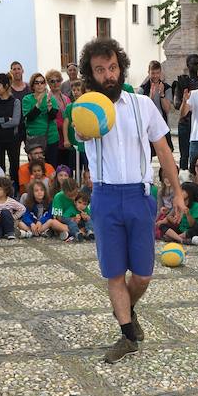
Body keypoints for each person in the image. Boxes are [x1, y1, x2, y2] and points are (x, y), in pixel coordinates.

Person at [77, 38, 184, 363]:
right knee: (113, 274)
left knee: (142, 275)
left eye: (112, 67)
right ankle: (127, 334)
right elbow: (80, 134)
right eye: (100, 70)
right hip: (106, 197)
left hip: (140, 195)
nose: (108, 75)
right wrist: (83, 128)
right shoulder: (86, 108)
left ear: (121, 68)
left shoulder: (143, 105)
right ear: (90, 74)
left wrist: (177, 191)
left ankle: (126, 306)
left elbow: (163, 150)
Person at [22, 73, 60, 168]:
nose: (39, 85)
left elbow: (53, 117)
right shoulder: (27, 99)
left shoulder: (51, 98)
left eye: (42, 82)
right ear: (32, 85)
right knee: (35, 168)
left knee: (51, 167)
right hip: (34, 140)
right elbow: (30, 118)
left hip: (50, 138)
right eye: (37, 82)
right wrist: (38, 103)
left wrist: (50, 108)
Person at [0, 72, 22, 175]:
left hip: (13, 139)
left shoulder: (15, 102)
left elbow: (15, 121)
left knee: (15, 166)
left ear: (6, 86)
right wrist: (6, 119)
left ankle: (15, 188)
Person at [172, 54, 198, 170]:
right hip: (185, 122)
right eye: (194, 64)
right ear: (188, 65)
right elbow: (176, 104)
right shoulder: (182, 81)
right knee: (184, 155)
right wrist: (189, 101)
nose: (197, 66)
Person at [5, 61, 31, 186]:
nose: (16, 71)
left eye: (18, 68)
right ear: (11, 72)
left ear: (22, 70)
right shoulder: (8, 90)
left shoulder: (29, 88)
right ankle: (15, 185)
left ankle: (32, 183)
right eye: (14, 69)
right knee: (14, 158)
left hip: (28, 126)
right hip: (14, 128)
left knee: (32, 155)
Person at [138, 61, 173, 151]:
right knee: (147, 155)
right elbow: (141, 110)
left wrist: (162, 94)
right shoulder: (142, 89)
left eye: (157, 73)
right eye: (153, 73)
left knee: (165, 153)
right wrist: (150, 97)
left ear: (160, 73)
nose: (155, 76)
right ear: (148, 72)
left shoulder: (167, 88)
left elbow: (167, 109)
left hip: (162, 126)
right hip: (147, 127)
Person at [46, 69, 72, 167]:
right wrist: (63, 125)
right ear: (48, 83)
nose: (55, 83)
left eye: (58, 80)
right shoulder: (47, 98)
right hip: (54, 137)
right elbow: (48, 117)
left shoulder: (66, 98)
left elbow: (70, 116)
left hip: (66, 137)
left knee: (66, 167)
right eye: (52, 81)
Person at [0, 176, 24, 240]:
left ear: (6, 190)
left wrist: (13, 217)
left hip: (8, 224)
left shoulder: (11, 201)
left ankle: (10, 232)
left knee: (5, 211)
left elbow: (22, 209)